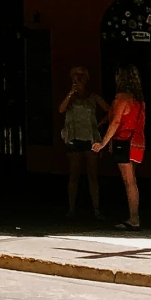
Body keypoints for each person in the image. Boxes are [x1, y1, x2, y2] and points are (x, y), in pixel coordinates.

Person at [93, 63, 147, 230]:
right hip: (138, 142)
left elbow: (116, 121)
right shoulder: (139, 100)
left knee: (129, 182)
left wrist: (103, 143)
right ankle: (133, 217)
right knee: (133, 181)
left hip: (125, 142)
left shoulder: (121, 98)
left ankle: (134, 218)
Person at [58, 64, 101, 221]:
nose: (79, 77)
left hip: (90, 139)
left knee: (93, 176)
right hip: (74, 138)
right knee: (73, 175)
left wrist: (99, 125)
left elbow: (110, 111)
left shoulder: (93, 97)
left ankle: (96, 210)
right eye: (76, 74)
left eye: (82, 74)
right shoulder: (70, 97)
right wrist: (71, 92)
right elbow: (61, 109)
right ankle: (71, 209)